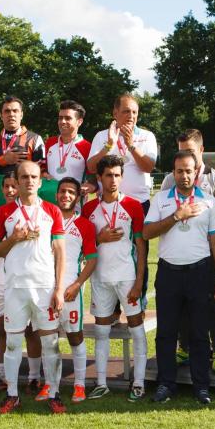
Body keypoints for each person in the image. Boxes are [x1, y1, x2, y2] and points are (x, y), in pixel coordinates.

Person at [143, 150, 215, 405]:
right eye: (179, 171)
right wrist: (176, 216)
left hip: (200, 273)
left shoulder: (210, 201)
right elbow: (146, 232)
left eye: (189, 170)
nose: (184, 175)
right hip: (169, 272)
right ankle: (166, 384)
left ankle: (201, 386)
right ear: (173, 172)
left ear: (196, 172)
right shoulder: (161, 199)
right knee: (166, 333)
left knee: (200, 334)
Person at [0, 161, 67, 414]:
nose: (29, 181)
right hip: (15, 287)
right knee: (12, 343)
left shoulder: (53, 212)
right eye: (24, 177)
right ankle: (12, 395)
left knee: (50, 343)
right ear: (17, 181)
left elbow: (60, 252)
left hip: (44, 287)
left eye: (34, 176)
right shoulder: (3, 213)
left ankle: (53, 392)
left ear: (40, 181)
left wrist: (58, 288)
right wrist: (13, 238)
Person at [160, 129, 215, 372]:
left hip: (208, 255)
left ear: (201, 150)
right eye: (180, 150)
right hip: (181, 254)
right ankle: (184, 347)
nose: (184, 155)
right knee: (182, 304)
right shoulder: (170, 180)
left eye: (189, 150)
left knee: (213, 303)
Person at [81, 155, 148, 402]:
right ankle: (101, 383)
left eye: (118, 175)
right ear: (99, 178)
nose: (113, 180)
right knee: (101, 332)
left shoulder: (133, 206)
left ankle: (138, 383)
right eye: (108, 175)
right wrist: (99, 238)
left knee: (137, 331)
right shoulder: (89, 209)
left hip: (127, 278)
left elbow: (141, 246)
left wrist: (139, 281)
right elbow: (84, 245)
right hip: (100, 279)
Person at [87, 93, 156, 308]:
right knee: (109, 253)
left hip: (138, 204)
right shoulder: (101, 136)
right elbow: (91, 167)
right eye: (126, 111)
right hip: (107, 205)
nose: (131, 116)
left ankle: (139, 302)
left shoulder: (146, 136)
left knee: (138, 253)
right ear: (115, 113)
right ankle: (113, 308)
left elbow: (148, 166)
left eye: (134, 112)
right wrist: (109, 145)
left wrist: (131, 144)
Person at [34, 177, 97, 403]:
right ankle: (50, 383)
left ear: (78, 196)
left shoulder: (85, 225)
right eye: (62, 191)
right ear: (56, 194)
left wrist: (77, 284)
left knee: (75, 337)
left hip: (70, 290)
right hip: (43, 288)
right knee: (47, 339)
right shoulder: (45, 220)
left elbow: (91, 260)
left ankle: (79, 385)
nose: (66, 196)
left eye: (71, 192)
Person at [0, 171, 19, 391]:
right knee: (3, 329)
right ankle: (4, 376)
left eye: (13, 186)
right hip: (0, 278)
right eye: (6, 186)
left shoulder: (30, 213)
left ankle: (34, 376)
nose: (10, 190)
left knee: (28, 331)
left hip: (21, 278)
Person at [41, 101, 96, 194]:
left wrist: (92, 186)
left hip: (73, 201)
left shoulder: (87, 147)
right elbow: (42, 167)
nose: (62, 121)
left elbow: (94, 175)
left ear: (79, 121)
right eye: (60, 118)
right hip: (49, 199)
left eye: (68, 118)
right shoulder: (50, 142)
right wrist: (43, 173)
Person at [0, 96, 45, 175]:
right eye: (7, 111)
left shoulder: (35, 139)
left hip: (23, 187)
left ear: (21, 115)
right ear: (1, 116)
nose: (11, 114)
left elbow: (42, 170)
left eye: (15, 111)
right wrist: (4, 160)